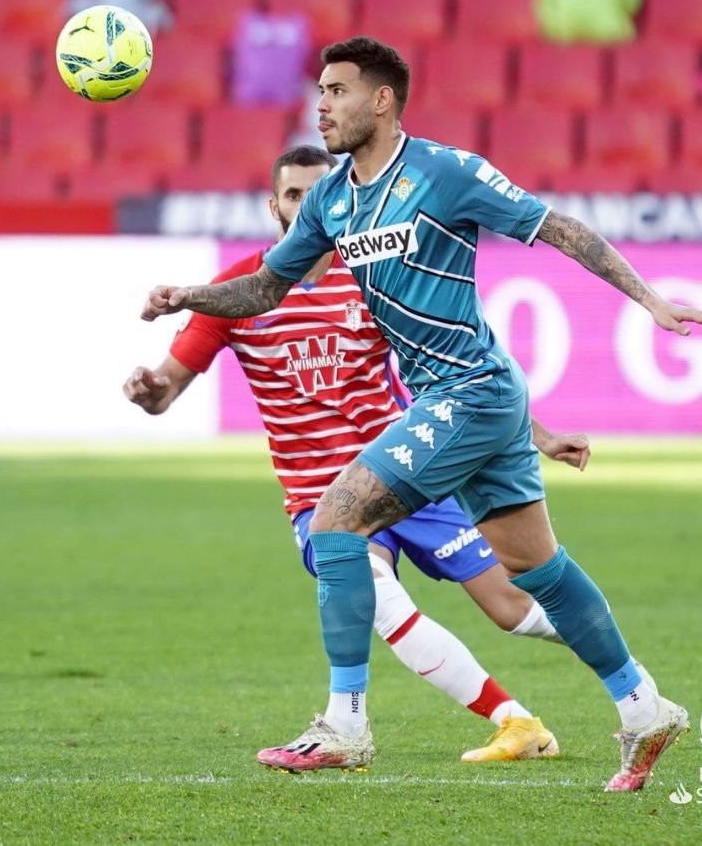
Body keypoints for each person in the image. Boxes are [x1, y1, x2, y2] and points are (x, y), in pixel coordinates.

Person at [140, 37, 702, 792]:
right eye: (319, 91)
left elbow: (558, 228)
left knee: (336, 519)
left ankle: (345, 726)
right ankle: (645, 706)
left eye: (337, 91)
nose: (321, 104)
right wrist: (192, 295)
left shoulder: (444, 173)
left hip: (470, 392)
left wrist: (651, 301)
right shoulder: (330, 200)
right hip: (470, 398)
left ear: (381, 100)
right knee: (534, 571)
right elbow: (263, 291)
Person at [126, 144, 601, 767]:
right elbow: (166, 387)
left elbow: (452, 372)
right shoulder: (235, 294)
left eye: (315, 194)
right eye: (292, 195)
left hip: (407, 473)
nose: (304, 206)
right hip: (322, 498)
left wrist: (536, 435)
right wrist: (149, 391)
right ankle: (506, 721)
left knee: (512, 609)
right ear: (274, 204)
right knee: (382, 601)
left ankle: (624, 671)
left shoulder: (372, 279)